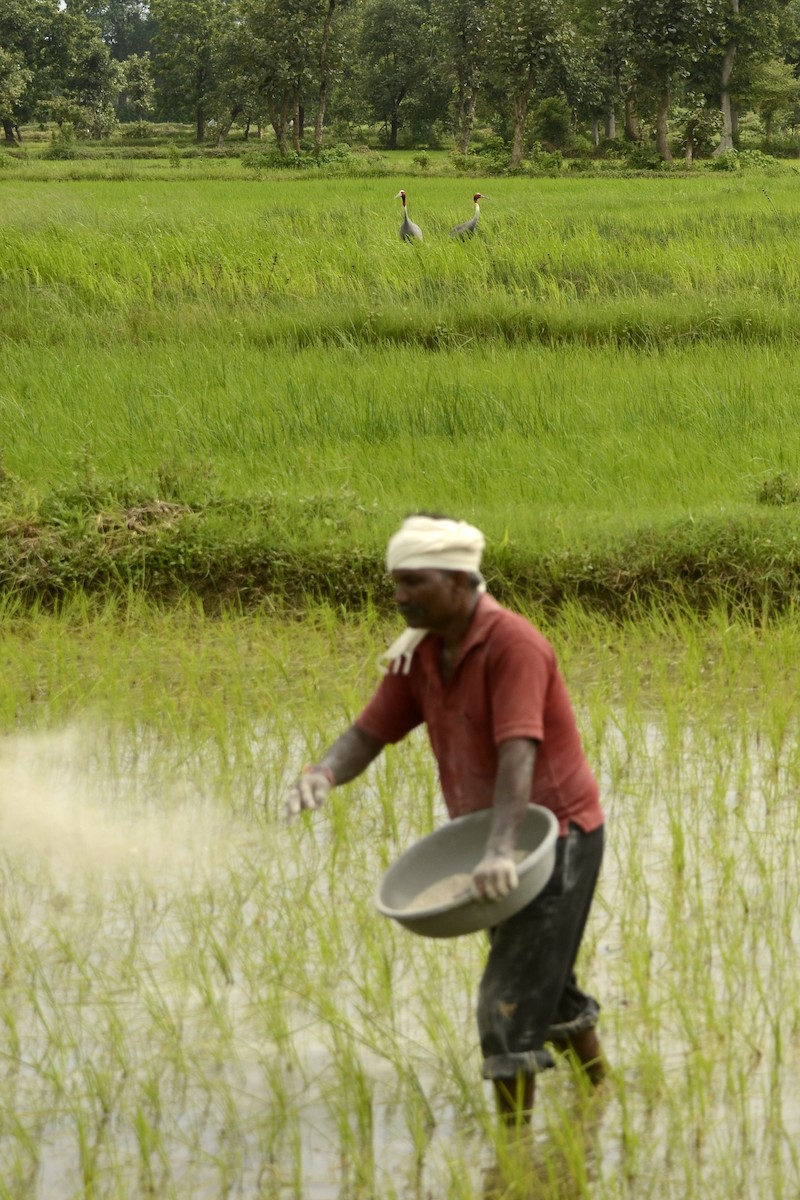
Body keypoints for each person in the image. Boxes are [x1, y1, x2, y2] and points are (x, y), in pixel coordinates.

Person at [286, 513, 607, 1126]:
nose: (401, 596)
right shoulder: (422, 656)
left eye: (416, 582)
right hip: (495, 838)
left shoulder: (514, 646)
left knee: (506, 1004)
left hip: (554, 839)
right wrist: (322, 773)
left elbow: (519, 750)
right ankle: (601, 1100)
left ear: (460, 581)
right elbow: (369, 731)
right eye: (396, 584)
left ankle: (512, 1162)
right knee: (549, 982)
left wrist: (500, 852)